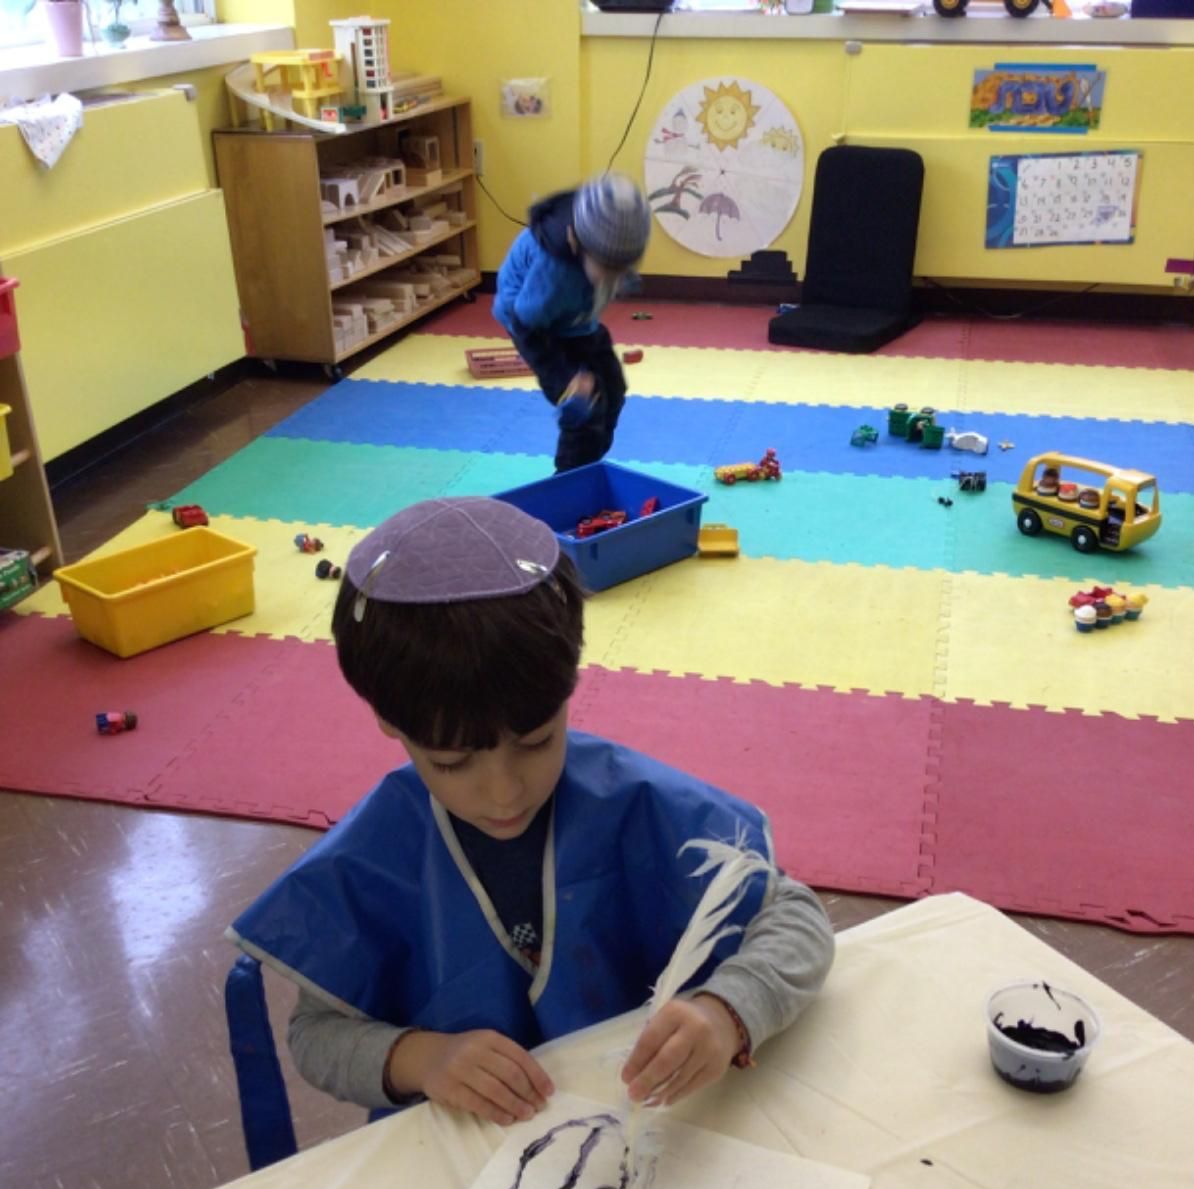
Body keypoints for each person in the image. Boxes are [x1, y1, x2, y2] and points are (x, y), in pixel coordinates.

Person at [228, 499, 835, 1127]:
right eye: (452, 761)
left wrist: (725, 1011)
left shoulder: (637, 804)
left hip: (650, 1129)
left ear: (569, 685)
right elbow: (316, 1035)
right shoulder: (377, 852)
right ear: (387, 720)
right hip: (467, 1158)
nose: (505, 794)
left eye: (538, 741)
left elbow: (797, 919)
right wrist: (421, 1059)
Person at [493, 173, 650, 474]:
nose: (613, 277)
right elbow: (527, 328)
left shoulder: (604, 254)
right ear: (575, 242)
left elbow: (610, 269)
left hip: (577, 318)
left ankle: (588, 466)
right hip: (536, 328)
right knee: (584, 408)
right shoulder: (554, 276)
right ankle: (568, 479)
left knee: (613, 389)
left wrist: (613, 274)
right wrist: (565, 379)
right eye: (607, 268)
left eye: (622, 269)